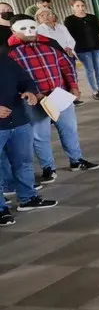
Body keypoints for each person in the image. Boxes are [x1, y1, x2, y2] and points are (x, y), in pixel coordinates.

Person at [6, 16, 98, 179]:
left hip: (59, 94)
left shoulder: (50, 45)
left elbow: (66, 66)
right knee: (40, 134)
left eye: (32, 27)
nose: (29, 32)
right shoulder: (10, 53)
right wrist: (31, 92)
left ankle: (76, 160)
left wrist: (74, 86)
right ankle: (48, 168)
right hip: (33, 100)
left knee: (69, 129)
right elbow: (12, 79)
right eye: (24, 28)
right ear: (13, 31)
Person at [0, 51, 56, 226]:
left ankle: (28, 198)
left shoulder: (5, 60)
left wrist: (30, 91)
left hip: (18, 120)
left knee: (24, 161)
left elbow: (25, 79)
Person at [65, 0, 99, 100]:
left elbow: (96, 30)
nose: (81, 8)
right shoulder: (70, 20)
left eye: (82, 5)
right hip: (82, 49)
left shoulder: (92, 18)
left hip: (97, 47)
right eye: (77, 6)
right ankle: (94, 91)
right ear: (73, 7)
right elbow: (70, 34)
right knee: (89, 69)